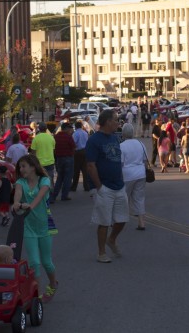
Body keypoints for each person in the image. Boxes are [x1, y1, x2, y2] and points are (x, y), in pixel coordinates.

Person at [13, 154, 58, 303]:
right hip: (28, 227)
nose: (21, 169)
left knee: (46, 262)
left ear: (33, 167)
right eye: (20, 166)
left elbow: (40, 195)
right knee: (34, 262)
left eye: (24, 166)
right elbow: (18, 194)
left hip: (44, 227)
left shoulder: (44, 180)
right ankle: (36, 296)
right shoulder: (20, 182)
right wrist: (16, 203)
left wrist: (30, 206)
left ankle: (53, 283)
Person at [86, 110, 129, 263]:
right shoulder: (94, 140)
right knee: (104, 221)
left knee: (122, 218)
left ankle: (112, 239)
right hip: (105, 187)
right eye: (116, 120)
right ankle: (101, 252)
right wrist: (99, 187)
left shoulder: (114, 138)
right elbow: (91, 165)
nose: (118, 123)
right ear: (107, 122)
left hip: (119, 185)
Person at [120, 123, 148, 230]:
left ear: (123, 133)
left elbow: (121, 163)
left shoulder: (121, 146)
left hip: (127, 175)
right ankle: (141, 223)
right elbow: (145, 161)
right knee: (139, 198)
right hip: (141, 173)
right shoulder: (140, 144)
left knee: (123, 197)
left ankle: (121, 220)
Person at [51, 122, 76, 203]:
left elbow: (53, 148)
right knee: (67, 178)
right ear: (66, 129)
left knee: (59, 178)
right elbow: (73, 147)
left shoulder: (56, 137)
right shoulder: (68, 137)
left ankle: (54, 196)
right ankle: (64, 195)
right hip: (68, 158)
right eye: (69, 128)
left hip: (59, 159)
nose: (70, 130)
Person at [70, 120, 92, 193]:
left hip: (77, 152)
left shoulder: (75, 134)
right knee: (85, 170)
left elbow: (73, 143)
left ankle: (74, 186)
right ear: (81, 126)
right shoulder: (85, 133)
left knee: (76, 170)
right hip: (85, 151)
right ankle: (86, 186)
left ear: (76, 127)